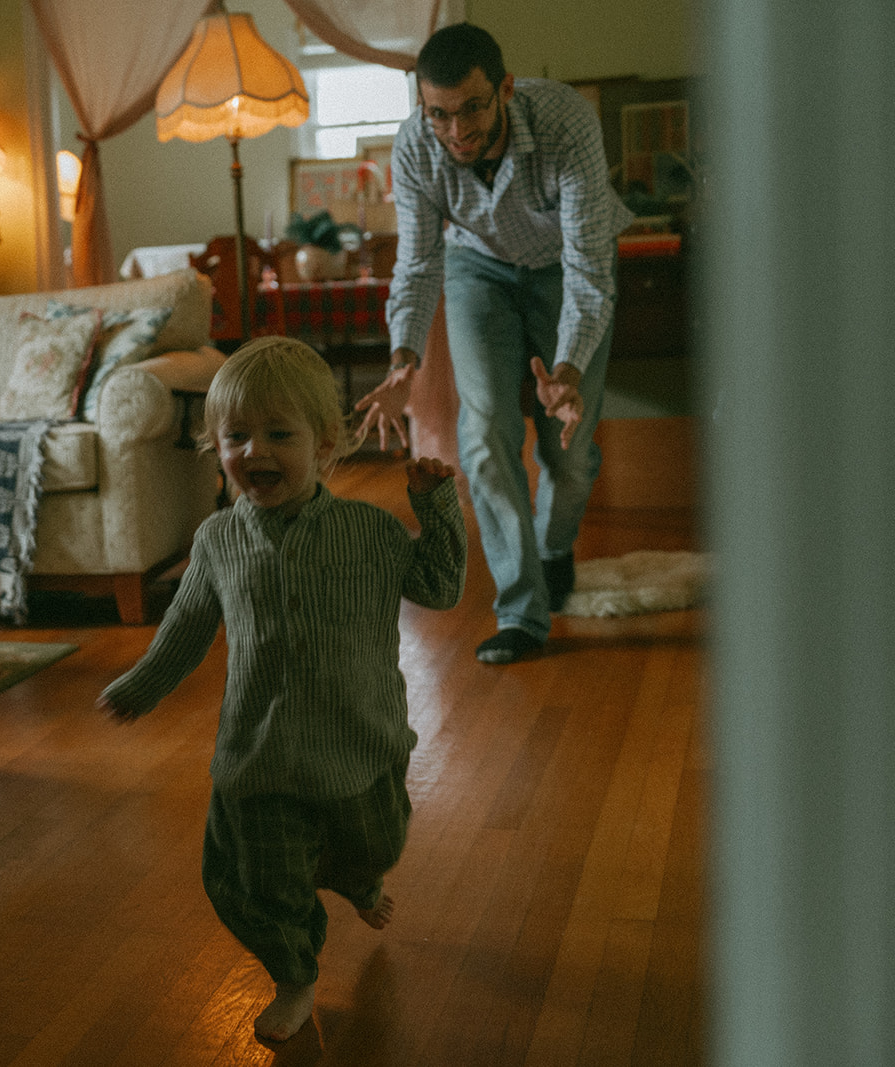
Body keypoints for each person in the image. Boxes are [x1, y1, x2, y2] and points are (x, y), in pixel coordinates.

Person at [97, 337, 466, 1044]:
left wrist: (435, 504)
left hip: (359, 742)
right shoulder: (217, 541)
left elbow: (441, 585)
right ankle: (294, 974)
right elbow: (187, 627)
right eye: (235, 436)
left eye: (278, 434)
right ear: (215, 447)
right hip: (259, 753)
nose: (254, 450)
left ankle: (357, 880)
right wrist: (142, 685)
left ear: (325, 445)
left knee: (373, 844)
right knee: (258, 877)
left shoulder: (369, 532)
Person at [354, 22, 636, 664]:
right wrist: (403, 362)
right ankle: (521, 613)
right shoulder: (415, 146)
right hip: (476, 268)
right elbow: (417, 264)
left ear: (505, 89)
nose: (456, 130)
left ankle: (554, 549)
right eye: (439, 114)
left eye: (472, 109)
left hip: (564, 266)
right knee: (483, 434)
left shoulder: (564, 121)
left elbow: (589, 268)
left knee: (568, 448)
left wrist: (567, 371)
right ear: (423, 106)